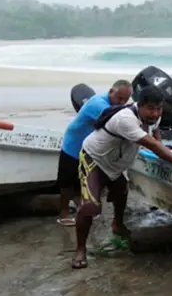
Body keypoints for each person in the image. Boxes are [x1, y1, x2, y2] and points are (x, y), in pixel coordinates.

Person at [73, 85, 172, 269]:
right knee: (90, 206)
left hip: (116, 165)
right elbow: (152, 145)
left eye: (158, 109)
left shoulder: (155, 117)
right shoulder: (126, 120)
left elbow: (155, 136)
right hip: (95, 160)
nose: (155, 114)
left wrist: (161, 149)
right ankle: (80, 249)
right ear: (139, 105)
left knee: (122, 192)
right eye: (150, 109)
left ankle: (118, 224)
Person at [56, 80, 132, 226]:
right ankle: (63, 213)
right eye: (119, 98)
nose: (121, 102)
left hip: (90, 149)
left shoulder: (116, 106)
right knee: (67, 183)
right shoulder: (98, 104)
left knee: (82, 181)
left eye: (125, 100)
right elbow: (115, 123)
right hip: (73, 145)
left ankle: (82, 208)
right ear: (111, 92)